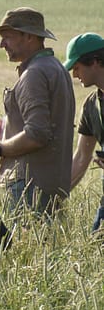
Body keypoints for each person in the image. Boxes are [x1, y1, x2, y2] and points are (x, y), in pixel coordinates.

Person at [0, 7, 75, 216]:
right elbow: (47, 124)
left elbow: (37, 134)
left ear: (29, 36)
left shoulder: (34, 73)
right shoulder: (55, 68)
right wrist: (6, 128)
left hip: (28, 186)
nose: (1, 44)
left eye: (7, 37)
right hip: (48, 183)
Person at [64, 32, 104, 231]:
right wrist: (56, 197)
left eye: (77, 67)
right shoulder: (90, 106)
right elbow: (81, 156)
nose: (74, 74)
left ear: (95, 62)